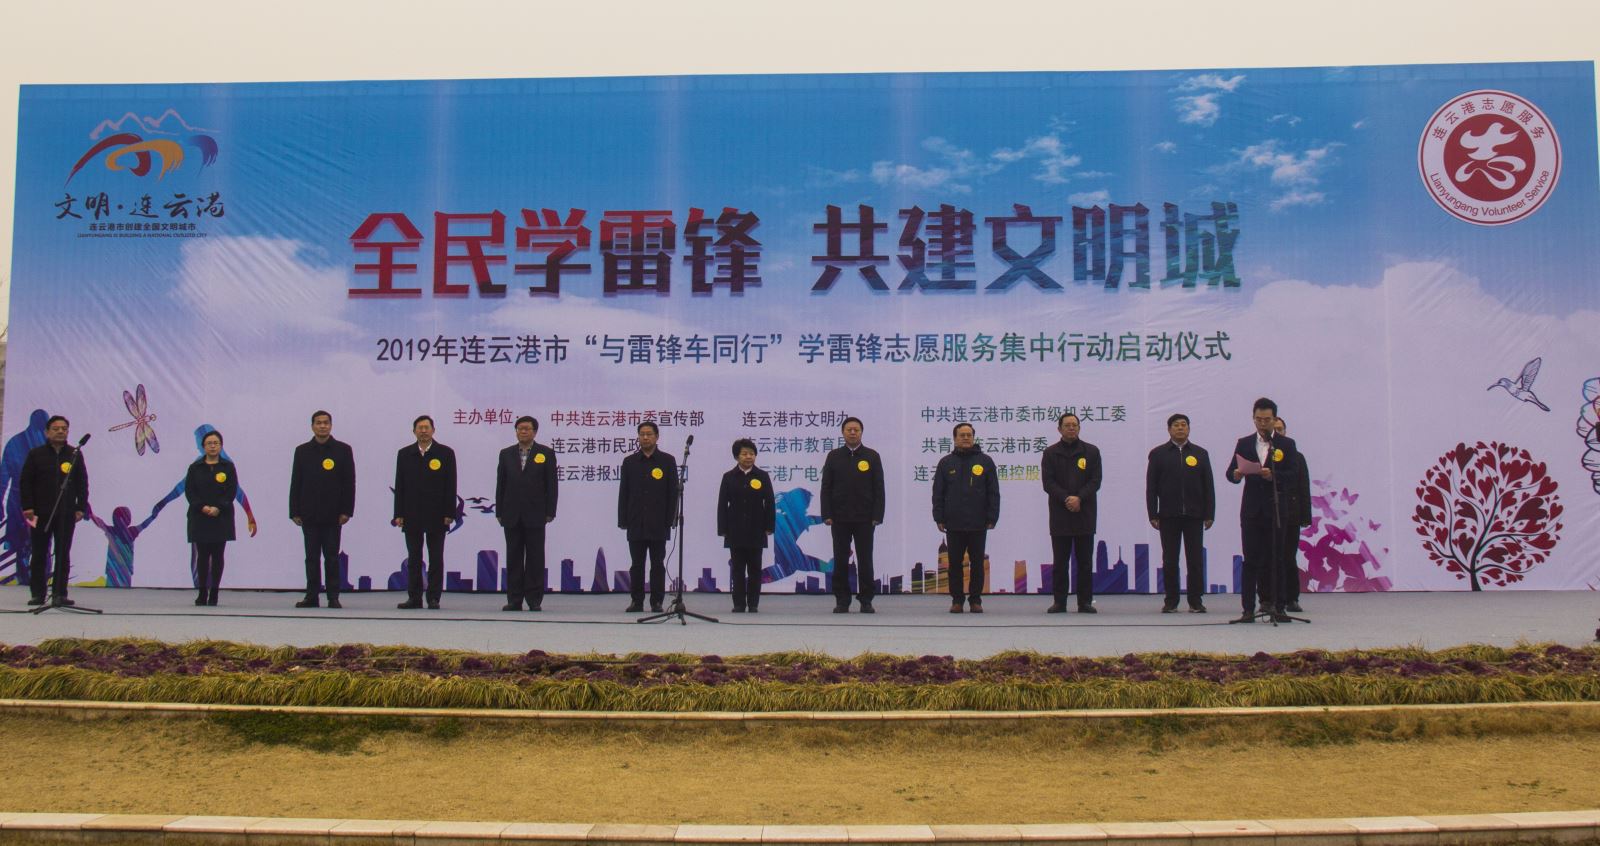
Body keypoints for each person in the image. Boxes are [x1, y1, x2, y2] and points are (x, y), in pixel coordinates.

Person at [1225, 397, 1300, 623]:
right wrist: (1236, 475)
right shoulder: (1244, 443)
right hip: (1252, 510)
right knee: (1251, 560)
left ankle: (1279, 605)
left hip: (1276, 509)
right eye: (1259, 419)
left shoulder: (1286, 444)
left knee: (1277, 558)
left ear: (1274, 419)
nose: (1263, 424)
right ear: (1253, 418)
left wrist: (1273, 475)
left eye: (1267, 420)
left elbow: (1293, 474)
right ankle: (1248, 608)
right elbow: (1230, 472)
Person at [1145, 413, 1215, 613]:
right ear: (1169, 429)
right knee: (1169, 560)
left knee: (1195, 560)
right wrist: (1153, 513)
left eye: (1184, 425)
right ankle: (1171, 601)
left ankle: (1195, 601)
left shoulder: (1201, 453)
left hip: (1194, 515)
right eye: (1176, 425)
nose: (1180, 428)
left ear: (1189, 429)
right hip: (1168, 515)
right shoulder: (1158, 454)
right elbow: (1151, 487)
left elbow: (1208, 486)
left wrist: (1209, 514)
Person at [289, 410, 355, 609]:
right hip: (308, 513)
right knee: (311, 557)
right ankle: (311, 596)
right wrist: (294, 511)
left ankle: (333, 596)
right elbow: (296, 482)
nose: (322, 426)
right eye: (318, 423)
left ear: (331, 425)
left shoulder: (343, 450)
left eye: (326, 423)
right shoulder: (302, 451)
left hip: (333, 514)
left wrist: (347, 511)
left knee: (332, 557)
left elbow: (349, 483)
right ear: (312, 426)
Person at [19, 415, 87, 606]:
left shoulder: (74, 454)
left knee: (63, 553)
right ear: (47, 432)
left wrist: (80, 507)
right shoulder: (36, 454)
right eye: (56, 428)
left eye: (64, 428)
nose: (60, 431)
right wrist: (28, 506)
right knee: (39, 553)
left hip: (66, 512)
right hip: (40, 513)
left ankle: (59, 594)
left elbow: (82, 483)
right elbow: (25, 482)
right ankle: (38, 594)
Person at [932, 422, 1000, 613]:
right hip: (954, 522)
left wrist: (992, 517)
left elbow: (993, 492)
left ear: (973, 437)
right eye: (962, 435)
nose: (966, 438)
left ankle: (975, 600)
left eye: (969, 435)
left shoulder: (985, 461)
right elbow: (938, 492)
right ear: (954, 439)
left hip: (978, 522)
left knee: (977, 563)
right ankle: (957, 600)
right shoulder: (946, 463)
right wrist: (938, 517)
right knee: (954, 564)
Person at [820, 416, 885, 613]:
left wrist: (877, 515)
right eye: (849, 429)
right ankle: (842, 600)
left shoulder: (872, 456)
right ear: (843, 432)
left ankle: (866, 600)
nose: (853, 432)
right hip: (839, 517)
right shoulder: (834, 456)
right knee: (840, 559)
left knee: (865, 560)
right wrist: (827, 513)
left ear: (861, 432)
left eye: (856, 429)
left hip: (865, 518)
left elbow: (879, 488)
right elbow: (826, 487)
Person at [392, 415, 456, 610]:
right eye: (420, 428)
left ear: (433, 430)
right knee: (414, 558)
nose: (423, 431)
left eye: (427, 427)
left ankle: (434, 597)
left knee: (436, 557)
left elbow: (451, 485)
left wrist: (449, 512)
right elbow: (400, 485)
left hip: (437, 514)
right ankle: (414, 597)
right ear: (414, 431)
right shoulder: (405, 454)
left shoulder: (445, 453)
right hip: (411, 513)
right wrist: (399, 513)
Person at [496, 416, 558, 611]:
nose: (523, 432)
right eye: (520, 429)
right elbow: (501, 484)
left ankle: (534, 599)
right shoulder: (506, 454)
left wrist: (550, 511)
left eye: (527, 429)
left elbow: (552, 485)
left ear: (535, 432)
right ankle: (514, 599)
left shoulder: (546, 453)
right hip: (511, 513)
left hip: (536, 514)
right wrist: (499, 511)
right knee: (513, 557)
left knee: (535, 558)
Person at [1041, 413, 1101, 613]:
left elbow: (1095, 481)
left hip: (1085, 513)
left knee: (1085, 562)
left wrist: (1079, 498)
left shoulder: (1091, 452)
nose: (1071, 428)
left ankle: (1085, 602)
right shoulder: (1050, 453)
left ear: (1079, 428)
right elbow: (1048, 483)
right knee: (1060, 562)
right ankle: (1060, 602)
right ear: (1059, 429)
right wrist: (1067, 498)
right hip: (1060, 514)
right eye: (1067, 425)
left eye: (1075, 425)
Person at [618, 421, 677, 613]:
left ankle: (656, 601)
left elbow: (672, 493)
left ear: (657, 437)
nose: (645, 437)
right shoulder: (629, 462)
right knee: (636, 565)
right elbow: (624, 493)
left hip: (659, 522)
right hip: (635, 521)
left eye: (649, 434)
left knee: (657, 564)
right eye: (642, 434)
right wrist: (623, 520)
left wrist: (670, 519)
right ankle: (636, 601)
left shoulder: (667, 461)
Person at [716, 438, 775, 613]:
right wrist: (723, 529)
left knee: (755, 569)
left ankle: (753, 603)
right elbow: (722, 504)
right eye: (744, 454)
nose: (749, 457)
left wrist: (769, 526)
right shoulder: (728, 477)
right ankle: (739, 603)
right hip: (735, 529)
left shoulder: (762, 476)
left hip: (757, 529)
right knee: (738, 569)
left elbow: (770, 503)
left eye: (751, 453)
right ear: (737, 456)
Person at [185, 430, 239, 606]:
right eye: (209, 443)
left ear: (221, 446)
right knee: (202, 556)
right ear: (203, 446)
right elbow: (190, 492)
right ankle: (202, 592)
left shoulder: (228, 467)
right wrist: (202, 507)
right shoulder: (195, 468)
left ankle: (214, 592)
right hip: (200, 517)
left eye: (216, 443)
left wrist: (218, 507)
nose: (213, 446)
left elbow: (231, 491)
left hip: (221, 517)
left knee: (218, 555)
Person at [1273, 416, 1312, 613]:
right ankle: (1271, 598)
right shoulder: (1261, 454)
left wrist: (1305, 516)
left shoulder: (1297, 457)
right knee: (1270, 557)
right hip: (1269, 514)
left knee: (1288, 557)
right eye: (1274, 429)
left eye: (1280, 429)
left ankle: (1292, 598)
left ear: (1285, 431)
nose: (1277, 433)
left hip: (1291, 514)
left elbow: (1303, 486)